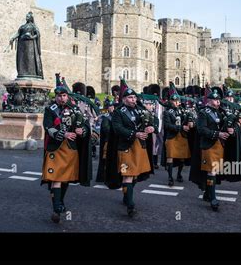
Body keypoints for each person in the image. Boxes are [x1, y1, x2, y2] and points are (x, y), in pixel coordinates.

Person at [41, 83, 92, 223]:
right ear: (55, 96)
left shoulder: (75, 110)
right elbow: (48, 127)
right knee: (57, 178)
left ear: (67, 96)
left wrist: (83, 131)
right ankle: (56, 207)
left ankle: (60, 201)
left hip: (70, 149)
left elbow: (83, 126)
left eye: (64, 96)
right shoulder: (50, 110)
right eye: (59, 96)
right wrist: (63, 134)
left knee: (65, 178)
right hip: (56, 148)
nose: (62, 98)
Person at [104, 85, 155, 217]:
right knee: (127, 175)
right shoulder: (118, 112)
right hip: (125, 147)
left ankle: (127, 196)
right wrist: (135, 134)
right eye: (130, 97)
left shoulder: (141, 110)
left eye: (134, 97)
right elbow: (117, 129)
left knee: (135, 175)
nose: (133, 100)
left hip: (140, 147)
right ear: (124, 99)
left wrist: (151, 127)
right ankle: (130, 205)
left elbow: (152, 121)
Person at [192, 87, 232, 211]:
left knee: (213, 171)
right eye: (215, 100)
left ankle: (207, 193)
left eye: (218, 100)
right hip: (208, 145)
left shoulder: (221, 112)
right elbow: (201, 130)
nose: (218, 102)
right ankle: (213, 198)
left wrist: (231, 129)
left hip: (219, 145)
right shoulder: (203, 113)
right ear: (208, 101)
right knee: (212, 171)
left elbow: (225, 125)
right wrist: (218, 134)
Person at [163, 92, 192, 186]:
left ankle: (179, 174)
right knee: (170, 157)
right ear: (171, 101)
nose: (175, 102)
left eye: (177, 101)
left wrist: (191, 122)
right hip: (172, 137)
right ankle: (170, 177)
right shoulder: (167, 112)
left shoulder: (184, 111)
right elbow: (167, 126)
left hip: (182, 136)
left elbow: (190, 119)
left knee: (182, 158)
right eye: (174, 101)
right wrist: (181, 127)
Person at [8, 11, 43, 79]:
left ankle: (31, 73)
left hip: (30, 46)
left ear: (31, 18)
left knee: (29, 59)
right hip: (22, 45)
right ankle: (23, 72)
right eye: (26, 17)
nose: (26, 18)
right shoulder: (22, 27)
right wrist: (12, 38)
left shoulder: (33, 26)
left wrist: (32, 37)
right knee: (22, 59)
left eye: (28, 17)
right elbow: (18, 33)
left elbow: (38, 34)